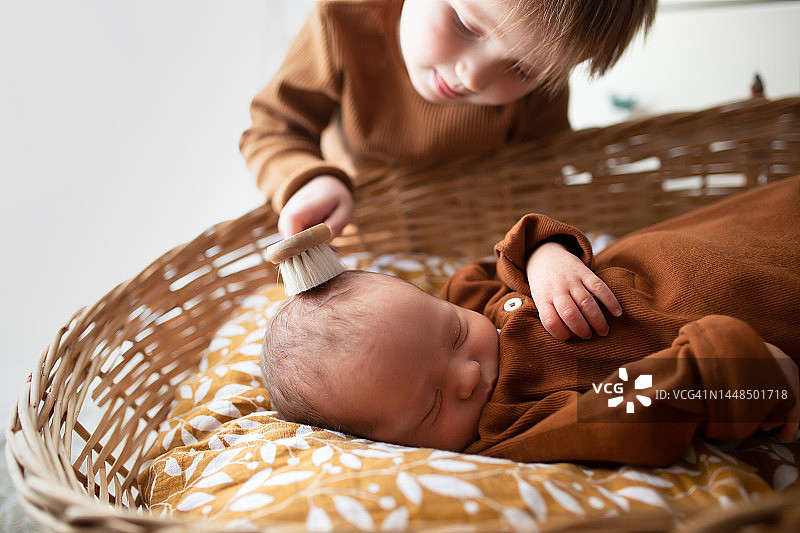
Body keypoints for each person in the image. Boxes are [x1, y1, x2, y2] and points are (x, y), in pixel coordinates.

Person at [261, 177, 800, 466]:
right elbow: (628, 411)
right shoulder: (509, 430)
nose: (467, 374)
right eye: (433, 405)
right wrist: (733, 375)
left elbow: (500, 255)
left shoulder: (468, 298)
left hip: (703, 248)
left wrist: (544, 258)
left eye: (452, 332)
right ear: (394, 446)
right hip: (762, 317)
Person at [240, 0, 657, 238]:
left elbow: (541, 177)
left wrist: (542, 245)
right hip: (357, 234)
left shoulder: (541, 91)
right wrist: (310, 180)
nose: (472, 77)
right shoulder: (343, 20)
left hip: (475, 239)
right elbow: (273, 127)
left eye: (523, 70)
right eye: (465, 25)